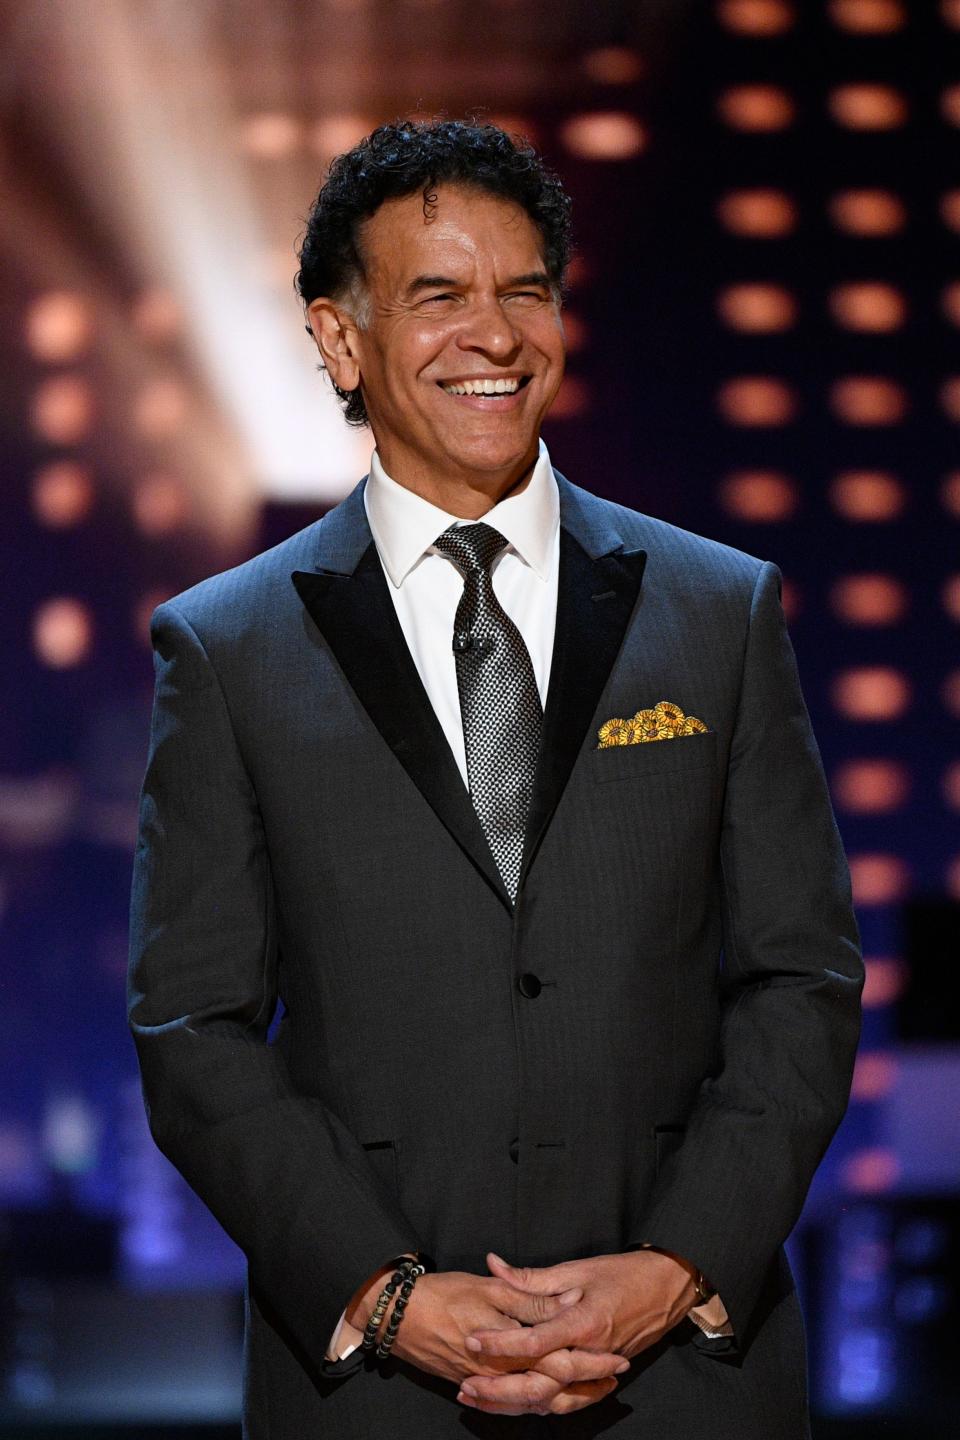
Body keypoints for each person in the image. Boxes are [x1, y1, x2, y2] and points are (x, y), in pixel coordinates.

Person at [126, 119, 864, 1439]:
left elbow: (799, 976)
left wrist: (679, 1267)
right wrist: (391, 1295)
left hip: (689, 1387)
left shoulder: (718, 610)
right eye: (440, 296)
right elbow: (193, 1028)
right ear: (340, 339)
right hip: (373, 1393)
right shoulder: (228, 648)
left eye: (527, 292)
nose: (498, 334)